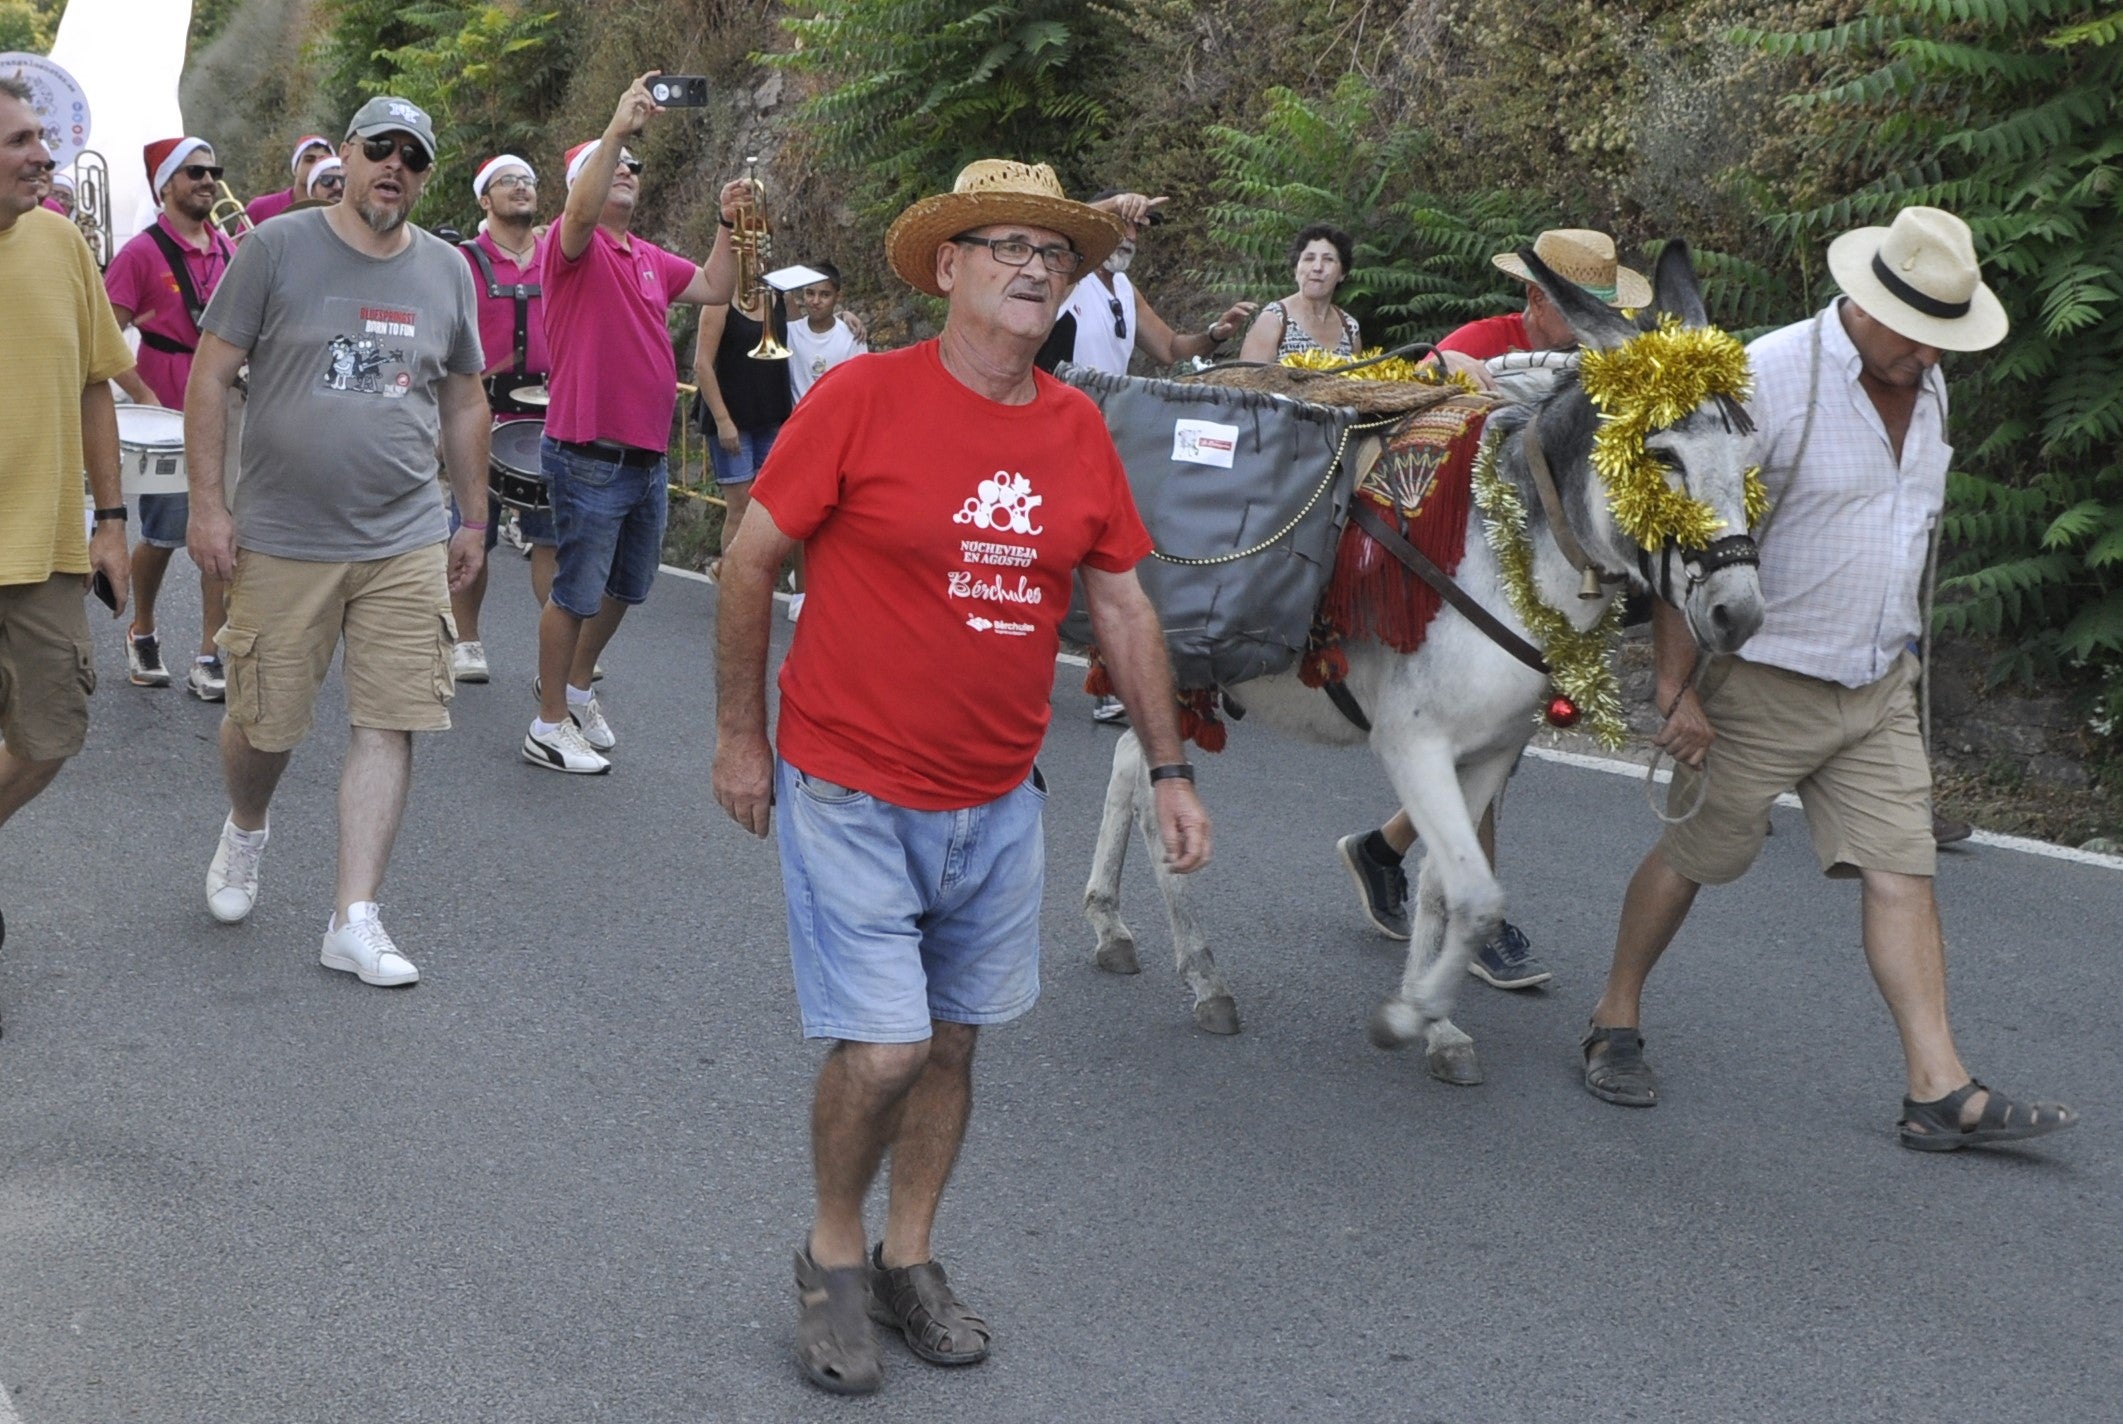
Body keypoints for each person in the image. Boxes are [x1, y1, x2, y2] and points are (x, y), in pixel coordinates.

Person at [711, 157, 1213, 1396]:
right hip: (847, 784)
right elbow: (745, 562)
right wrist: (738, 734)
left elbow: (1123, 606)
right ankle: (831, 1256)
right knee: (881, 1049)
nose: (1036, 266)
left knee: (950, 1043)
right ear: (948, 268)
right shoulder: (864, 400)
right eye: (1004, 245)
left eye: (1054, 252)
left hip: (996, 798)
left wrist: (1167, 766)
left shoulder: (1076, 427)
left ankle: (907, 1256)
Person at [1579, 206, 2077, 1154]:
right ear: (1863, 300)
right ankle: (1613, 1017)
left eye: (1945, 341)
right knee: (1695, 862)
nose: (1931, 358)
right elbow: (1688, 527)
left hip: (1875, 685)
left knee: (1902, 871)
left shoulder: (1925, 387)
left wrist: (1906, 649)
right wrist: (1674, 690)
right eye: (1919, 336)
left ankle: (1938, 1090)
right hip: (1763, 679)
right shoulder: (1771, 376)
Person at [184, 96, 489, 988]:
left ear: (425, 176)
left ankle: (353, 917)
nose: (395, 166)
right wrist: (209, 506)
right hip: (284, 534)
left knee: (391, 720)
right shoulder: (275, 250)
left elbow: (466, 398)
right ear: (348, 158)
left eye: (414, 157)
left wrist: (470, 517)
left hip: (403, 533)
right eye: (379, 149)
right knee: (264, 725)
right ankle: (247, 828)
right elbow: (209, 377)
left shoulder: (447, 271)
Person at [1338, 229, 1653, 992]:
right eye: (1579, 310)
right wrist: (1465, 381)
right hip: (1462, 574)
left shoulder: (1604, 365)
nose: (1590, 325)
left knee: (1491, 745)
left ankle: (1383, 851)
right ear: (1535, 299)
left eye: (1600, 311)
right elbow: (1410, 413)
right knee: (1479, 748)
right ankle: (1469, 917)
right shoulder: (1484, 341)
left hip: (1547, 583)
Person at [523, 73, 746, 774]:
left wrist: (728, 223)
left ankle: (578, 689)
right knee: (575, 591)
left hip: (645, 456)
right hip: (588, 451)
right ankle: (547, 721)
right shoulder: (571, 245)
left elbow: (715, 286)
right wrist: (618, 127)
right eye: (612, 164)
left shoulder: (646, 257)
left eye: (633, 168)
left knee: (627, 587)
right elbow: (581, 212)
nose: (626, 171)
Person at [0, 75, 135, 1017]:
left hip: (45, 552)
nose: (42, 156)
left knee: (54, 737)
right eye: (19, 141)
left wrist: (113, 522)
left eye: (41, 139)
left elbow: (98, 384)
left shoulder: (59, 241)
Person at [1039, 187, 1257, 723]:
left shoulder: (1125, 291)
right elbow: (1062, 223)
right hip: (1051, 429)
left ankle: (1111, 676)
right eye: (1122, 225)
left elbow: (1171, 349)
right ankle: (1042, 665)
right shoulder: (1067, 278)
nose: (1130, 237)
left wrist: (1214, 333)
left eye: (1136, 230)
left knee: (1111, 556)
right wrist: (1111, 206)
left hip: (1110, 435)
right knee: (1052, 551)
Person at [102, 136, 239, 700]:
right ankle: (143, 629)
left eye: (213, 172)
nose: (208, 181)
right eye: (194, 173)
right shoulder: (141, 252)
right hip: (166, 415)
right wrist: (142, 396)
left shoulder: (229, 248)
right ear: (166, 188)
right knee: (162, 535)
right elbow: (105, 332)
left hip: (226, 410)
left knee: (222, 533)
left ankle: (211, 652)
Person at [449, 153, 556, 683]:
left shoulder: (559, 255)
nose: (521, 187)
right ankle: (466, 641)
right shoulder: (461, 261)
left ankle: (559, 639)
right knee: (473, 530)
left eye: (529, 181)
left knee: (552, 534)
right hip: (480, 413)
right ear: (483, 199)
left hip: (549, 412)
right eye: (508, 181)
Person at [688, 240, 791, 594]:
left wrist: (848, 321)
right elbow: (702, 363)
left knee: (766, 503)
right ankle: (734, 586)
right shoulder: (720, 298)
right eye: (748, 251)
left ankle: (734, 569)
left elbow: (805, 332)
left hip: (770, 412)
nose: (757, 257)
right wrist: (723, 420)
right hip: (731, 415)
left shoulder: (776, 292)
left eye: (761, 248)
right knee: (739, 505)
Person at [776, 260, 869, 620]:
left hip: (836, 434)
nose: (816, 301)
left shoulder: (850, 336)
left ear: (837, 297)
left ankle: (822, 578)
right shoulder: (788, 330)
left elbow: (858, 386)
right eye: (810, 293)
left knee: (832, 517)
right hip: (796, 434)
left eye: (825, 294)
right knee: (801, 514)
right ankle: (801, 591)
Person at [1237, 223, 1360, 364]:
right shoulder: (1274, 319)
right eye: (1309, 258)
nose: (1317, 267)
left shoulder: (1350, 329)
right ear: (1296, 269)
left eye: (1328, 259)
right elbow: (1247, 382)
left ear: (1342, 273)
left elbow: (1355, 384)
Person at [245, 134, 332, 226]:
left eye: (323, 161)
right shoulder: (260, 207)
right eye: (309, 160)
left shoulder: (338, 212)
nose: (316, 166)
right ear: (295, 168)